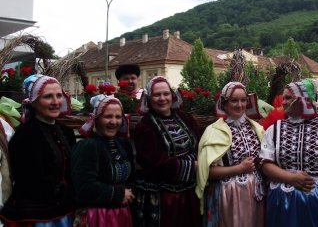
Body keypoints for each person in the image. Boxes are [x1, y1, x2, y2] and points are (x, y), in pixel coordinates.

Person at [260, 79, 318, 227]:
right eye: (283, 98)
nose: (283, 102)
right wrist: (290, 178)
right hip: (283, 199)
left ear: (303, 99)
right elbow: (265, 164)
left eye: (288, 98)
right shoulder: (274, 129)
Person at [0, 74, 76, 226]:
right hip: (37, 216)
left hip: (64, 210)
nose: (56, 102)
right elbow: (29, 182)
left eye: (59, 95)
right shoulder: (24, 136)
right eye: (48, 96)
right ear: (33, 102)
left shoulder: (66, 132)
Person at [133, 76, 202, 227]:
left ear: (172, 95)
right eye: (157, 95)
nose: (162, 98)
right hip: (163, 198)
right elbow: (155, 163)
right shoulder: (145, 126)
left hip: (189, 194)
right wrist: (195, 165)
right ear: (149, 99)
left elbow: (199, 145)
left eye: (166, 93)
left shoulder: (186, 118)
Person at [196, 82, 265, 227]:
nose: (239, 105)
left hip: (256, 194)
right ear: (224, 103)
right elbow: (208, 172)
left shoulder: (256, 128)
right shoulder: (213, 132)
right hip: (229, 196)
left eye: (243, 100)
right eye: (234, 100)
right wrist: (239, 169)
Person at [72, 95, 135, 226]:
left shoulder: (123, 144)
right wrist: (118, 194)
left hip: (121, 213)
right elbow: (84, 187)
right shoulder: (88, 146)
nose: (114, 122)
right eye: (108, 116)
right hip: (97, 216)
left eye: (118, 117)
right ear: (97, 119)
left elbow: (131, 178)